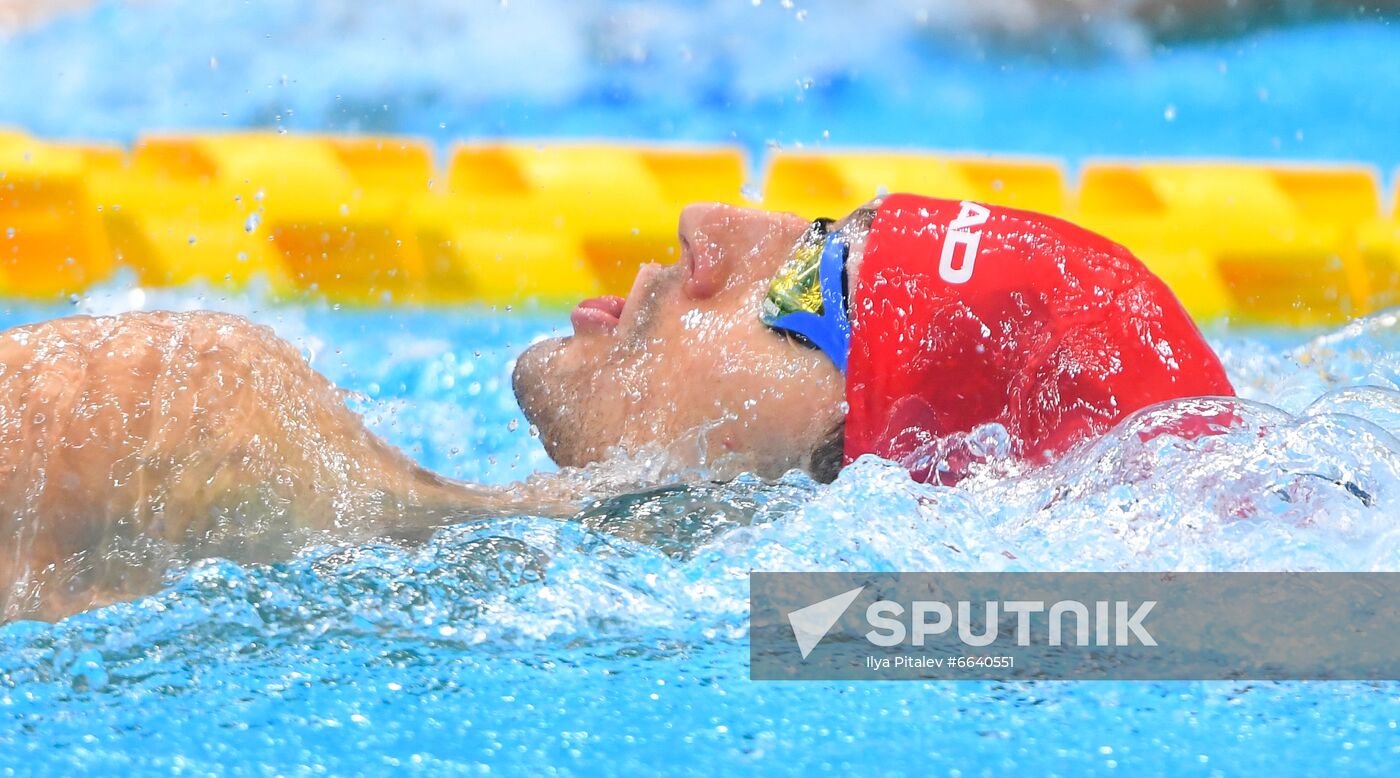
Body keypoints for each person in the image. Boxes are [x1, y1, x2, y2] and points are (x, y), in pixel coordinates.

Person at [0, 194, 1233, 621]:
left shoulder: (192, 419)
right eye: (810, 230)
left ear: (872, 477)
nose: (710, 228)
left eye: (813, 283)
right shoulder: (242, 439)